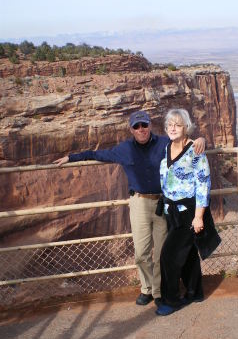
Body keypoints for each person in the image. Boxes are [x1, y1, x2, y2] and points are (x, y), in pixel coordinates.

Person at [53, 110, 205, 307]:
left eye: (144, 125)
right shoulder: (123, 149)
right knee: (141, 252)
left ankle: (159, 291)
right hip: (139, 203)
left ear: (150, 125)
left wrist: (201, 139)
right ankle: (147, 289)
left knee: (161, 252)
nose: (141, 129)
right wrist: (71, 157)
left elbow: (184, 143)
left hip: (163, 203)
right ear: (131, 129)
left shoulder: (164, 143)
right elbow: (96, 154)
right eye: (136, 126)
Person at [156, 108, 215, 316]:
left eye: (178, 125)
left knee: (168, 256)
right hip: (171, 210)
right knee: (189, 254)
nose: (173, 128)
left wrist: (199, 217)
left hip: (188, 211)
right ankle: (194, 292)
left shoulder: (195, 150)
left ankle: (171, 301)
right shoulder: (167, 147)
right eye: (170, 124)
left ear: (186, 127)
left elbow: (204, 184)